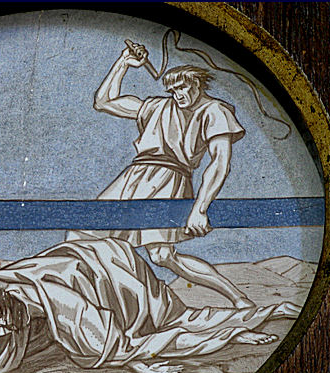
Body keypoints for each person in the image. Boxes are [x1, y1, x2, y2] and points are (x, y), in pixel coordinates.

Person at [0, 238, 299, 373]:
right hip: (86, 263)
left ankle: (242, 323)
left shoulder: (64, 305)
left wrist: (135, 360)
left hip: (114, 277)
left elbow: (116, 344)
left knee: (167, 326)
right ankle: (243, 323)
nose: (6, 332)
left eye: (8, 324)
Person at [67, 42, 254, 309]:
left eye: (183, 88)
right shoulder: (157, 107)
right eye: (173, 90)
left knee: (161, 255)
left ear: (197, 85)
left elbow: (219, 163)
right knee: (81, 234)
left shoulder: (214, 111)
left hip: (169, 179)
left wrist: (200, 209)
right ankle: (91, 305)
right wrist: (123, 62)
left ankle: (238, 298)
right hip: (133, 176)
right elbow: (103, 102)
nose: (178, 95)